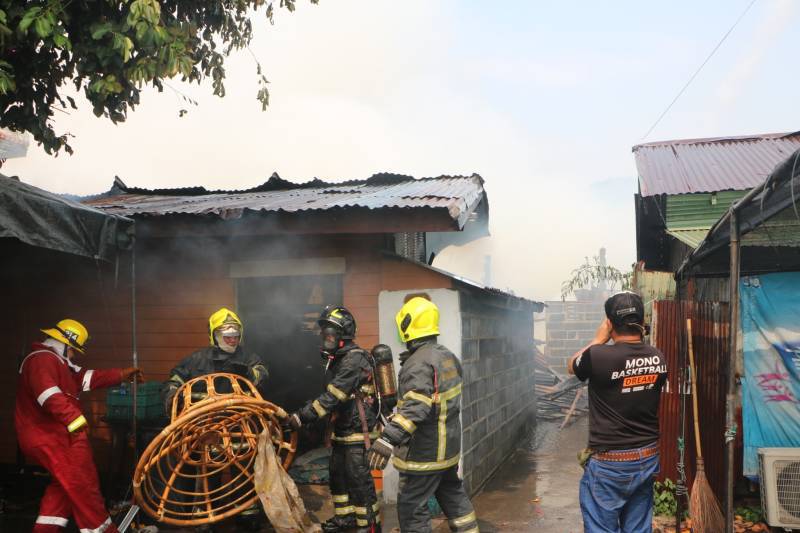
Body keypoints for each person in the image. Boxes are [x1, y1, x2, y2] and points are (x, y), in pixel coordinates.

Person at [15, 319, 142, 533]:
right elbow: (47, 394)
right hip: (54, 436)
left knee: (64, 487)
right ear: (65, 344)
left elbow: (84, 379)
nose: (74, 355)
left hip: (53, 435)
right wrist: (74, 418)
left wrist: (120, 375)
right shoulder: (42, 360)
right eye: (73, 350)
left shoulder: (57, 362)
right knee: (84, 484)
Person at [367, 296, 478, 533]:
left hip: (424, 454)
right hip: (447, 450)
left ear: (407, 325)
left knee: (412, 509)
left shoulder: (417, 364)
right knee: (454, 497)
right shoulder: (447, 356)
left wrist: (387, 439)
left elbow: (416, 407)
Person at [567, 291, 668, 533]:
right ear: (642, 322)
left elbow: (572, 366)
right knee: (637, 528)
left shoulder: (597, 356)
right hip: (646, 457)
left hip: (610, 463)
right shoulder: (657, 356)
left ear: (609, 323)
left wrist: (598, 339)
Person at [161, 307, 268, 532]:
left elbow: (263, 374)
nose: (232, 339)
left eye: (235, 335)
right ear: (214, 335)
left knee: (244, 471)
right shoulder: (197, 360)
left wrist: (249, 374)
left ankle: (247, 515)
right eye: (226, 335)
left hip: (239, 428)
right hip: (205, 430)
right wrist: (171, 394)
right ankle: (209, 515)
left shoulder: (248, 358)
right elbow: (175, 378)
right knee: (209, 472)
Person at [287, 305, 381, 533]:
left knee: (359, 481)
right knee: (338, 477)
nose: (325, 338)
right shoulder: (339, 359)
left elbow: (333, 397)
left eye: (330, 334)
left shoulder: (354, 359)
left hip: (358, 432)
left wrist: (302, 417)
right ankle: (345, 519)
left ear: (343, 335)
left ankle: (369, 525)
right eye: (324, 334)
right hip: (343, 430)